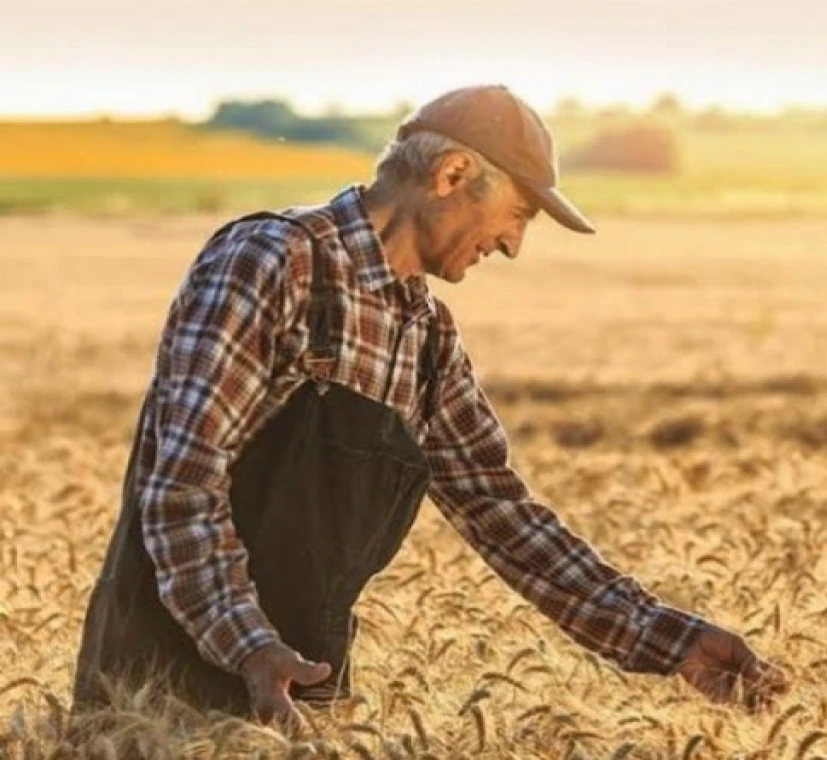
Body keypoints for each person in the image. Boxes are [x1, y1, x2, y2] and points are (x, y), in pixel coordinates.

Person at [72, 84, 787, 727]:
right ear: (451, 175)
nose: (511, 245)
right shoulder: (272, 261)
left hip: (297, 695)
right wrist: (250, 646)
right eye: (518, 215)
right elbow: (182, 487)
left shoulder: (425, 335)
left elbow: (501, 512)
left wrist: (670, 640)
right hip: (161, 695)